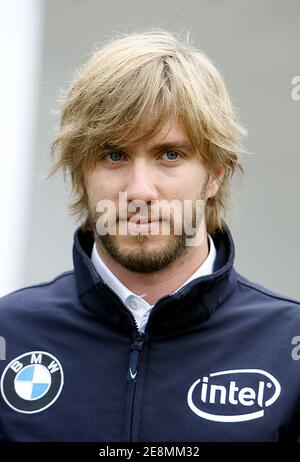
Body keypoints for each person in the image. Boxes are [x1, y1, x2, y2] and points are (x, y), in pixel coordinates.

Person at [0, 29, 300, 443]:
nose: (140, 190)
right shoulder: (9, 333)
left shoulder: (289, 348)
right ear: (80, 174)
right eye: (114, 154)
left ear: (216, 173)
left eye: (170, 155)